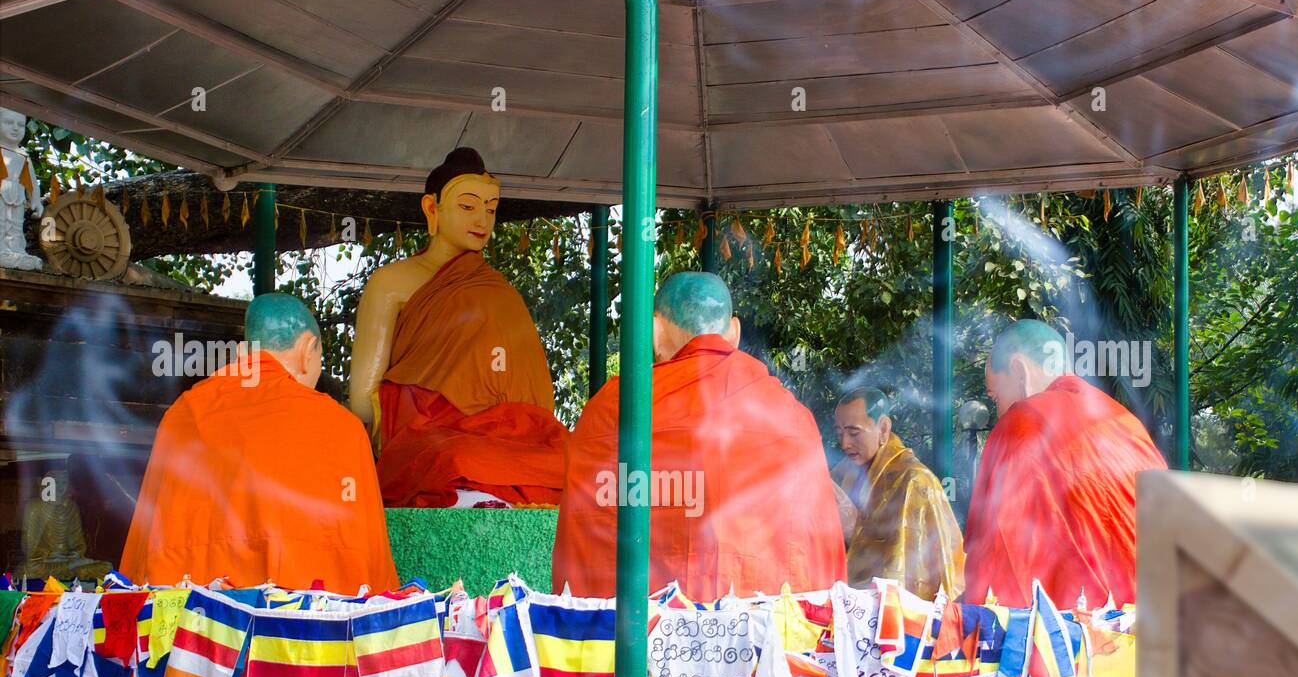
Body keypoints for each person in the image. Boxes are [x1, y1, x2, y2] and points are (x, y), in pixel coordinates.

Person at [552, 272, 846, 600]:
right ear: (733, 332)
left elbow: (584, 545)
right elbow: (820, 552)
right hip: (760, 637)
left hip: (643, 636)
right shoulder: (792, 418)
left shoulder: (614, 410)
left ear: (655, 331)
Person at [121, 293, 398, 593]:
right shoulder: (342, 428)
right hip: (303, 629)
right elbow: (371, 563)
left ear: (244, 352)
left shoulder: (183, 414)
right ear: (308, 350)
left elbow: (144, 548)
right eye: (320, 358)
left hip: (192, 624)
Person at [349, 147, 565, 507]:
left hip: (506, 436)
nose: (482, 219)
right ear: (432, 209)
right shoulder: (392, 283)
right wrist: (412, 422)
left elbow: (532, 394)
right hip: (431, 434)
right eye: (467, 206)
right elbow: (363, 399)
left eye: (490, 209)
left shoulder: (497, 290)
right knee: (452, 458)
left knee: (567, 461)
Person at [964, 319, 1167, 609]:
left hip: (1075, 639)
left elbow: (991, 558)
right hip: (1150, 628)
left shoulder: (1022, 424)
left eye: (996, 396)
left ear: (1020, 372)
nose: (998, 413)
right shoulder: (1127, 424)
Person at [831, 388, 965, 600]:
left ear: (883, 428)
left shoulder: (914, 480)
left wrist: (856, 529)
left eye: (854, 433)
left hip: (899, 612)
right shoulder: (842, 474)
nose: (845, 443)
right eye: (839, 434)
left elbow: (917, 573)